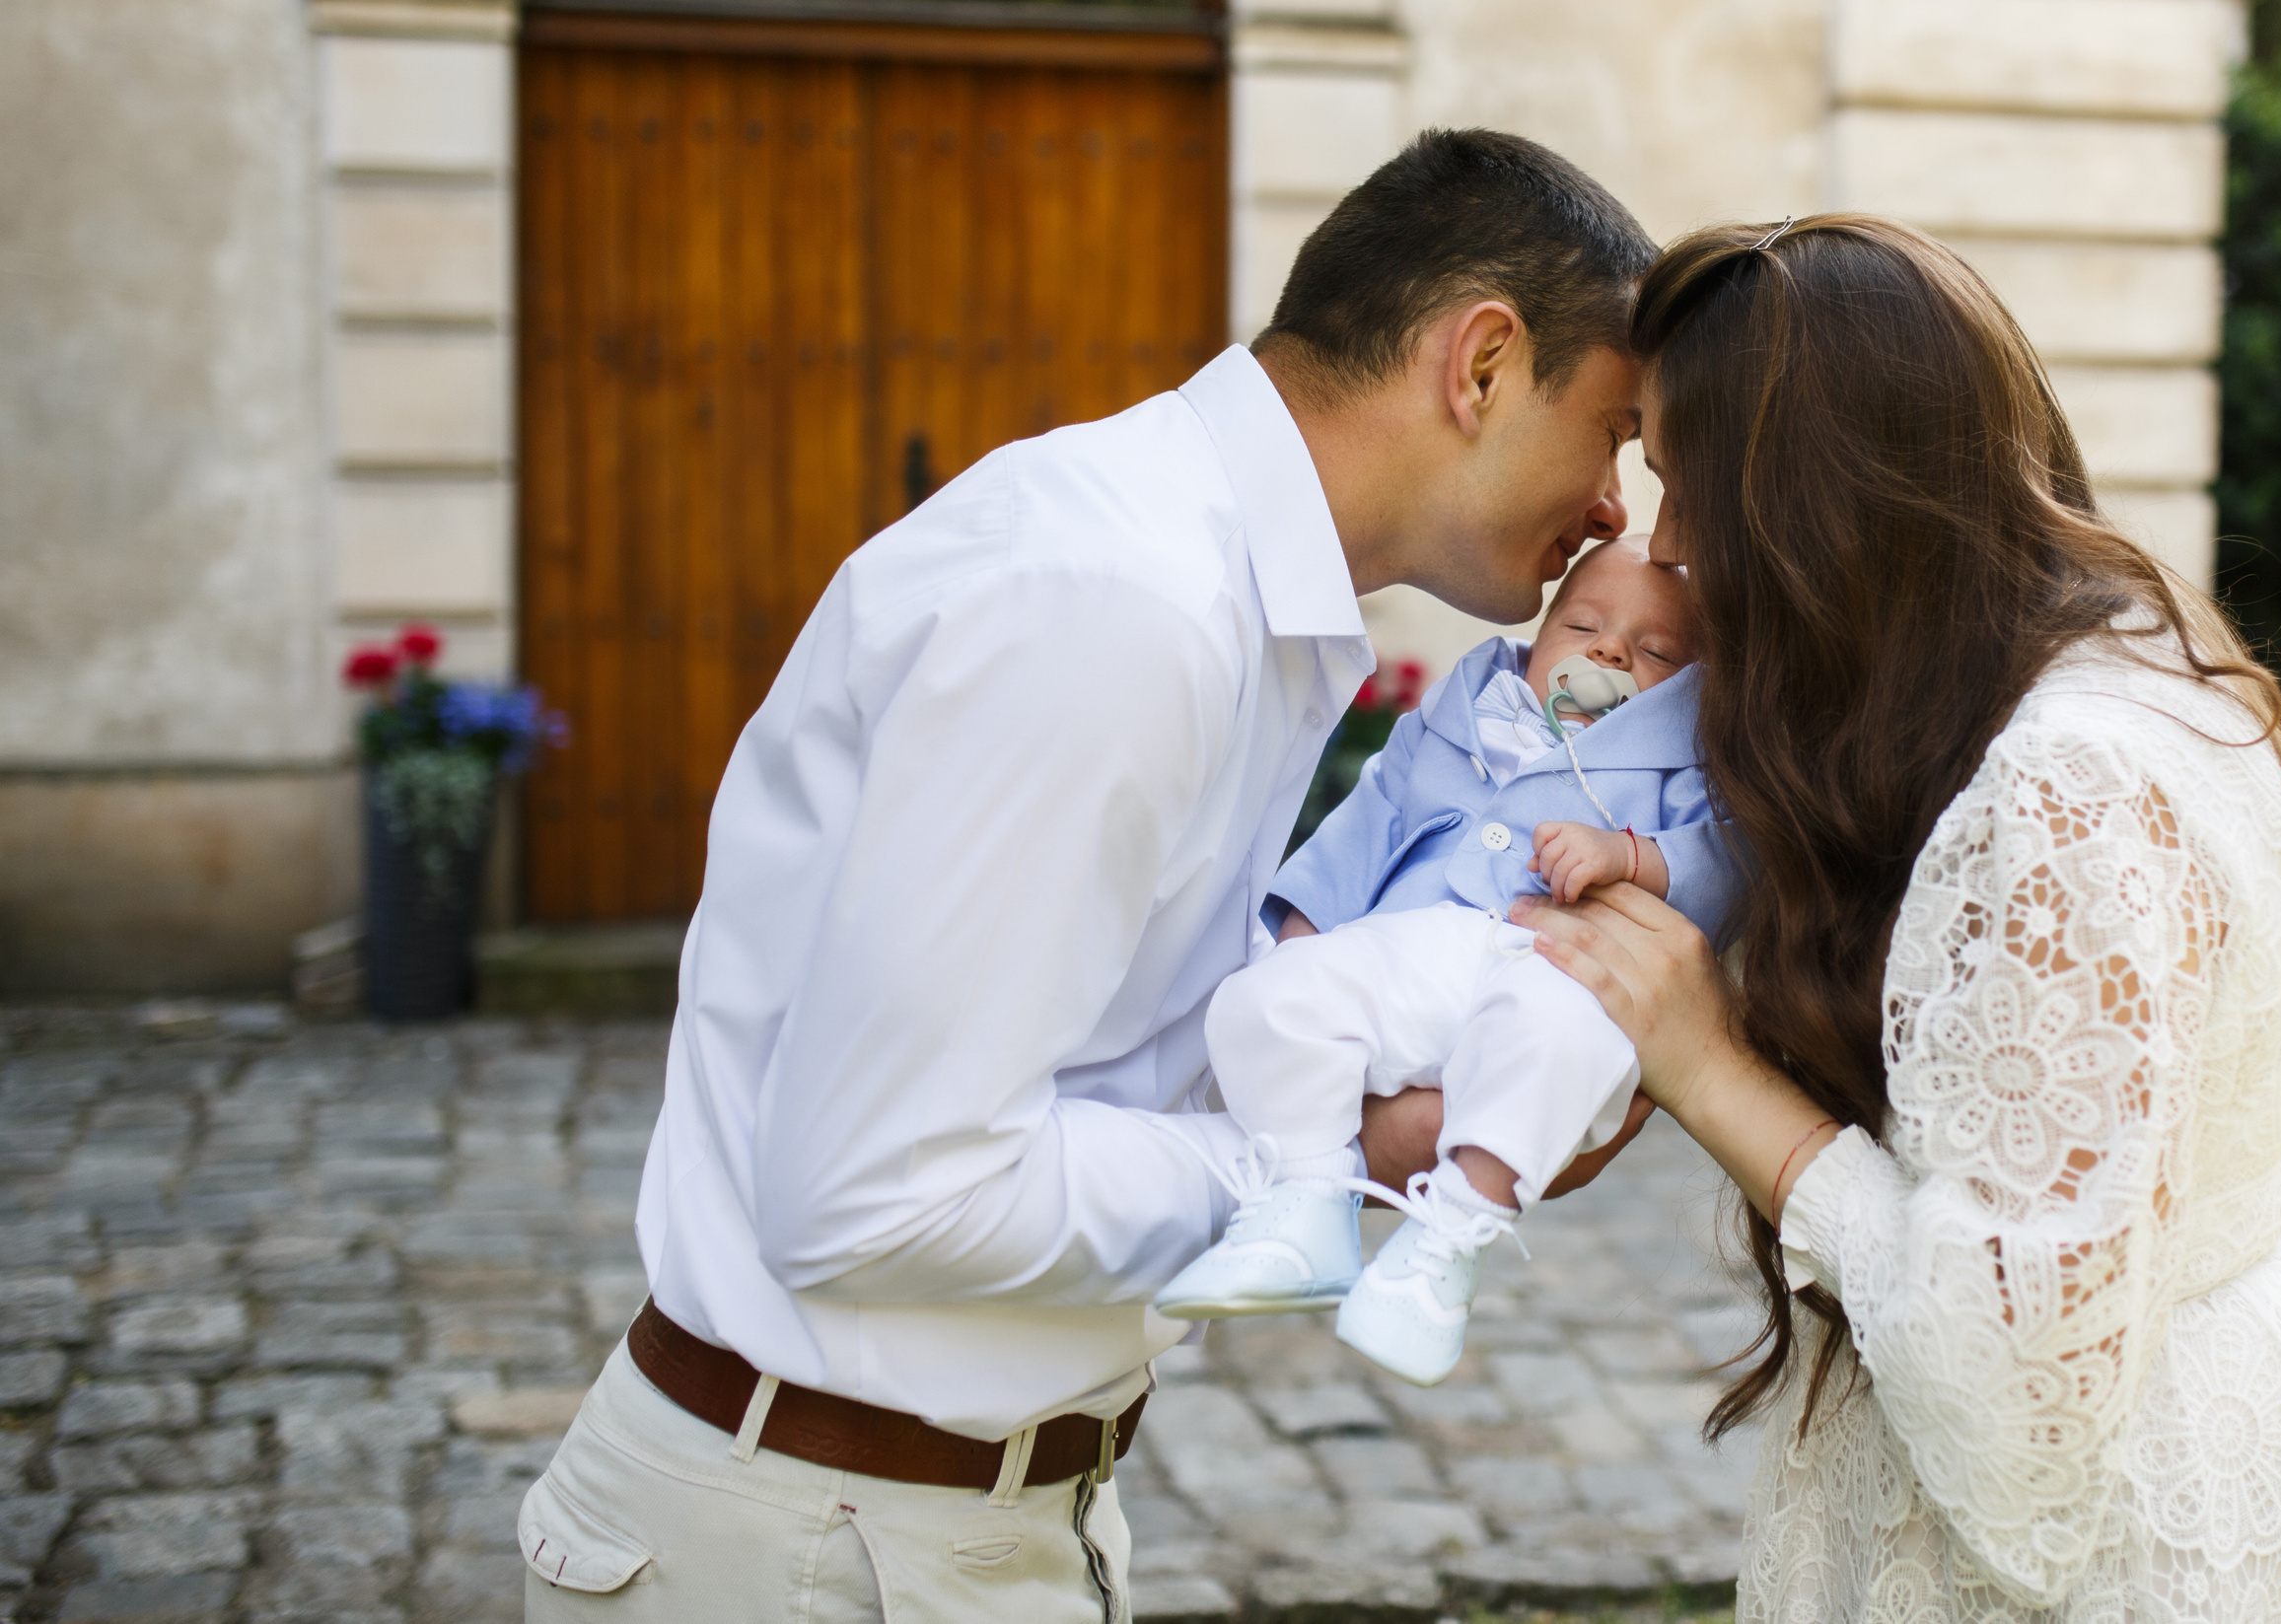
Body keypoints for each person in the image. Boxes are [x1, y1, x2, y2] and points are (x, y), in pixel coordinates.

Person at [515, 128, 1665, 1623]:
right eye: (1614, 432)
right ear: (1484, 364)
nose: (1613, 509)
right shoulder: (1114, 601)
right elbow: (878, 1191)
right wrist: (1352, 1156)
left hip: (948, 1521)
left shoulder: (1224, 591)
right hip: (816, 1547)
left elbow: (1099, 1057)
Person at [1510, 215, 2281, 1621]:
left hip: (2119, 1550)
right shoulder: (2130, 660)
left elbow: (2016, 1419)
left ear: (1815, 496)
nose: (1668, 541)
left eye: (1684, 478)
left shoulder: (2061, 784)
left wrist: (1708, 1064)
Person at [1154, 538, 1742, 1385]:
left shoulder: (1685, 760)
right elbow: (1373, 816)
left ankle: (1447, 1245)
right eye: (1583, 624)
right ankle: (1304, 1200)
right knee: (1265, 1000)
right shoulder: (1457, 719)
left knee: (1554, 1044)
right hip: (1419, 950)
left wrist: (1630, 856)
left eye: (1657, 653)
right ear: (1539, 641)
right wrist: (1311, 939)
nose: (1612, 651)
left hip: (1558, 966)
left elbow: (1724, 863)